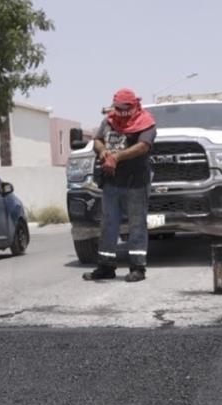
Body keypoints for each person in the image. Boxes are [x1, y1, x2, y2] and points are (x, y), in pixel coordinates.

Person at [83, 89, 157, 282]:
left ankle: (138, 268)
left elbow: (143, 146)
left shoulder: (146, 122)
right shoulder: (109, 121)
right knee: (108, 224)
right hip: (112, 183)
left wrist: (117, 157)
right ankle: (106, 267)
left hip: (136, 183)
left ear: (134, 106)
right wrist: (103, 153)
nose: (122, 112)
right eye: (118, 108)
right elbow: (97, 140)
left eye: (126, 108)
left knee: (137, 224)